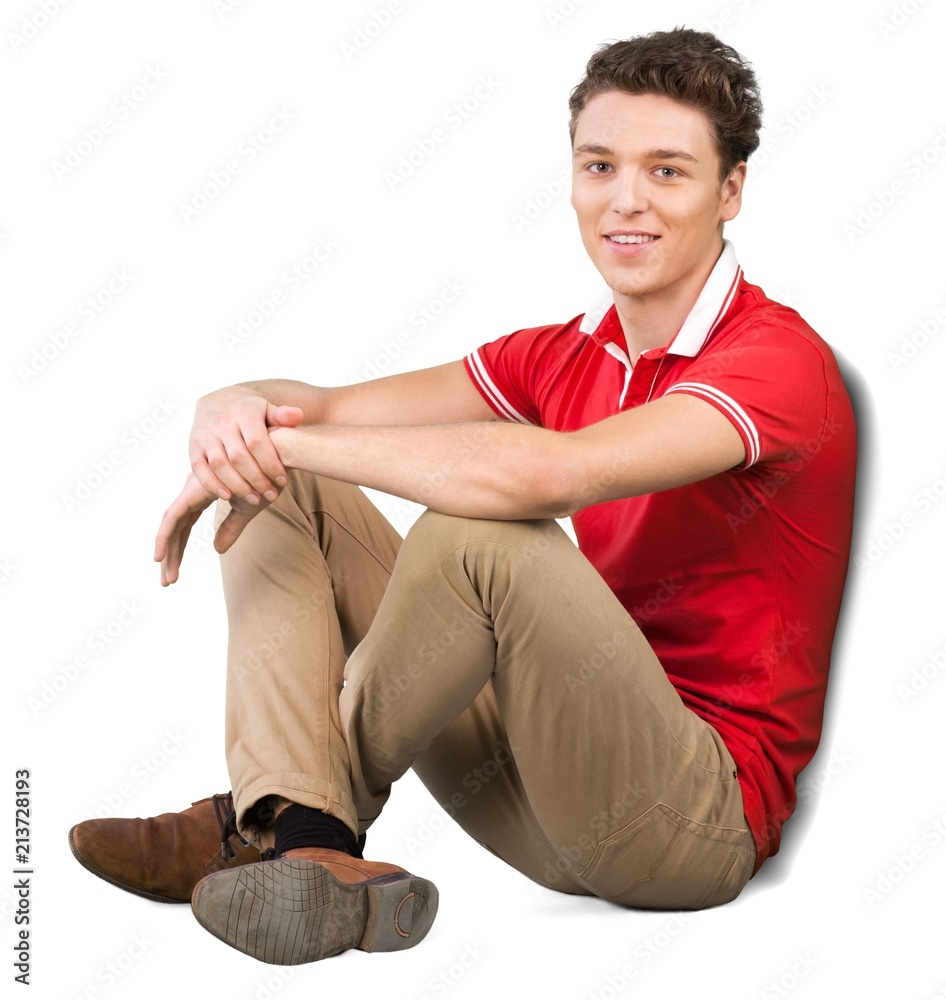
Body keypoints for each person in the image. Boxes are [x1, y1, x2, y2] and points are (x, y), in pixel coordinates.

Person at [68, 27, 856, 965]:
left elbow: (548, 474)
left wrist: (274, 438)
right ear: (571, 179)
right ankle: (303, 832)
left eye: (668, 171)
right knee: (290, 481)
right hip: (540, 790)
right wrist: (229, 414)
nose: (626, 200)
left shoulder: (777, 361)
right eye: (600, 166)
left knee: (483, 537)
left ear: (730, 192)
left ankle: (259, 827)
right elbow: (317, 406)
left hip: (688, 824)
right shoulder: (565, 352)